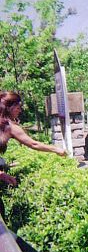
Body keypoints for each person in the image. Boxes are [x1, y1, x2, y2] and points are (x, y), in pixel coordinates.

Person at [0, 91, 66, 219]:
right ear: (10, 107)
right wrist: (57, 150)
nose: (19, 111)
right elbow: (33, 144)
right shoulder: (9, 126)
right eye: (18, 108)